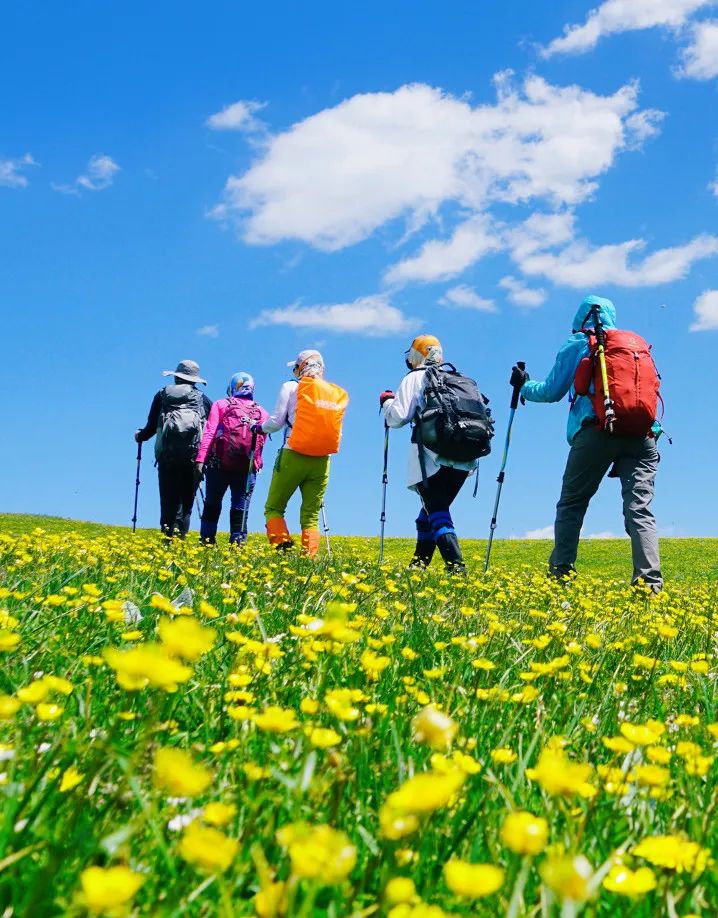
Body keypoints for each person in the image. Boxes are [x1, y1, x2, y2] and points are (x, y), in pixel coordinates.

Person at [515, 295, 663, 591]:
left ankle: (561, 574)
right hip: (644, 436)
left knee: (572, 502)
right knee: (639, 509)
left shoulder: (581, 343)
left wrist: (523, 385)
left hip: (597, 431)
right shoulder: (634, 348)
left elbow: (551, 390)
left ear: (580, 318)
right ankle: (649, 584)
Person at [380, 335, 480, 574]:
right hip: (466, 456)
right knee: (428, 513)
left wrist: (386, 403)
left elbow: (398, 417)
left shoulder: (415, 377)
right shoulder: (457, 378)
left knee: (436, 510)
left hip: (431, 457)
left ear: (415, 355)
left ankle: (456, 567)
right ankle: (418, 566)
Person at [258, 349, 348, 558]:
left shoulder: (291, 386)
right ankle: (308, 559)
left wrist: (258, 428)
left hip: (293, 453)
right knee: (310, 516)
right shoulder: (334, 393)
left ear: (300, 368)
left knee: (274, 507)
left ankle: (283, 551)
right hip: (322, 459)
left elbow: (276, 422)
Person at [135, 359, 212, 538]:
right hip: (193, 457)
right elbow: (210, 430)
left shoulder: (162, 395)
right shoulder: (203, 400)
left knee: (168, 498)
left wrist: (139, 436)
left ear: (176, 377)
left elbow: (151, 427)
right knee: (186, 502)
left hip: (166, 455)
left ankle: (167, 537)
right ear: (194, 380)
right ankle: (180, 539)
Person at [194, 372, 268, 546]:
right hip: (247, 467)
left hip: (217, 464)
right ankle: (238, 542)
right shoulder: (261, 411)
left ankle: (207, 541)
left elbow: (210, 432)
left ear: (233, 387)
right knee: (240, 507)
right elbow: (262, 440)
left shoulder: (221, 404)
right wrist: (257, 462)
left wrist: (200, 459)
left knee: (212, 503)